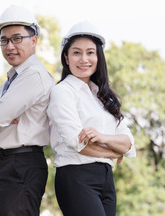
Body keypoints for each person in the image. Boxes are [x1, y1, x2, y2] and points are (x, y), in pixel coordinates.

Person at [0, 5, 55, 216]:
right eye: (4, 40)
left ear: (33, 40)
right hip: (1, 165)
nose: (10, 46)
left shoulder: (34, 75)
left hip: (21, 166)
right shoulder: (12, 79)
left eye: (17, 38)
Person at [47, 21, 136, 216]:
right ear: (66, 58)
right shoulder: (62, 92)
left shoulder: (105, 97)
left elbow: (128, 144)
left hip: (106, 179)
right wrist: (112, 153)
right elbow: (76, 142)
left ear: (98, 57)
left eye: (90, 52)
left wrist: (102, 138)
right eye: (76, 52)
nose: (84, 59)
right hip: (76, 176)